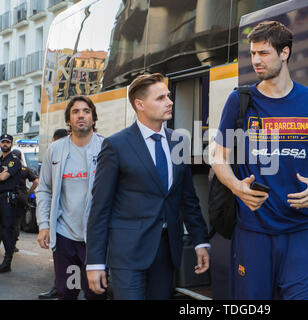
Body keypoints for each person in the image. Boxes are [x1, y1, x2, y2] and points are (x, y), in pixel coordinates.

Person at [212, 21, 308, 299]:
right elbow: (219, 158)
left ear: (285, 53)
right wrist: (235, 186)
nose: (256, 60)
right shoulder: (240, 101)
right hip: (253, 230)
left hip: (302, 229)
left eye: (264, 53)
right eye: (253, 53)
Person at [86, 73, 210, 300]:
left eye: (169, 96)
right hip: (128, 254)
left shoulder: (178, 141)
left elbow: (187, 198)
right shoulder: (115, 145)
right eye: (161, 98)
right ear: (139, 104)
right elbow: (100, 208)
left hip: (166, 253)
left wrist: (200, 240)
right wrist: (94, 262)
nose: (170, 102)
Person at [36, 96, 106, 300]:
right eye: (75, 112)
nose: (81, 115)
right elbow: (44, 189)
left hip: (96, 239)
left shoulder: (106, 148)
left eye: (86, 111)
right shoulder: (56, 150)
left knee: (96, 294)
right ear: (68, 119)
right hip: (65, 237)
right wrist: (43, 225)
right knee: (68, 292)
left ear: (93, 118)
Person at [37, 128, 68, 300]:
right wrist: (44, 225)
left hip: (88, 227)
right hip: (62, 223)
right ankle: (59, 286)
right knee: (63, 264)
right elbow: (45, 189)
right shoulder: (54, 157)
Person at [0, 134, 22, 273]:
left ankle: (7, 262)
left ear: (11, 144)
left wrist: (2, 175)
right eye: (3, 142)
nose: (5, 144)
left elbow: (3, 177)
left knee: (7, 230)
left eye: (8, 142)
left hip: (7, 199)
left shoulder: (14, 160)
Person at [11, 149, 39, 244]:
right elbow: (36, 182)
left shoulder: (6, 168)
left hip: (8, 197)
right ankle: (13, 244)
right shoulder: (25, 169)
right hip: (21, 198)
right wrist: (28, 193)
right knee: (17, 222)